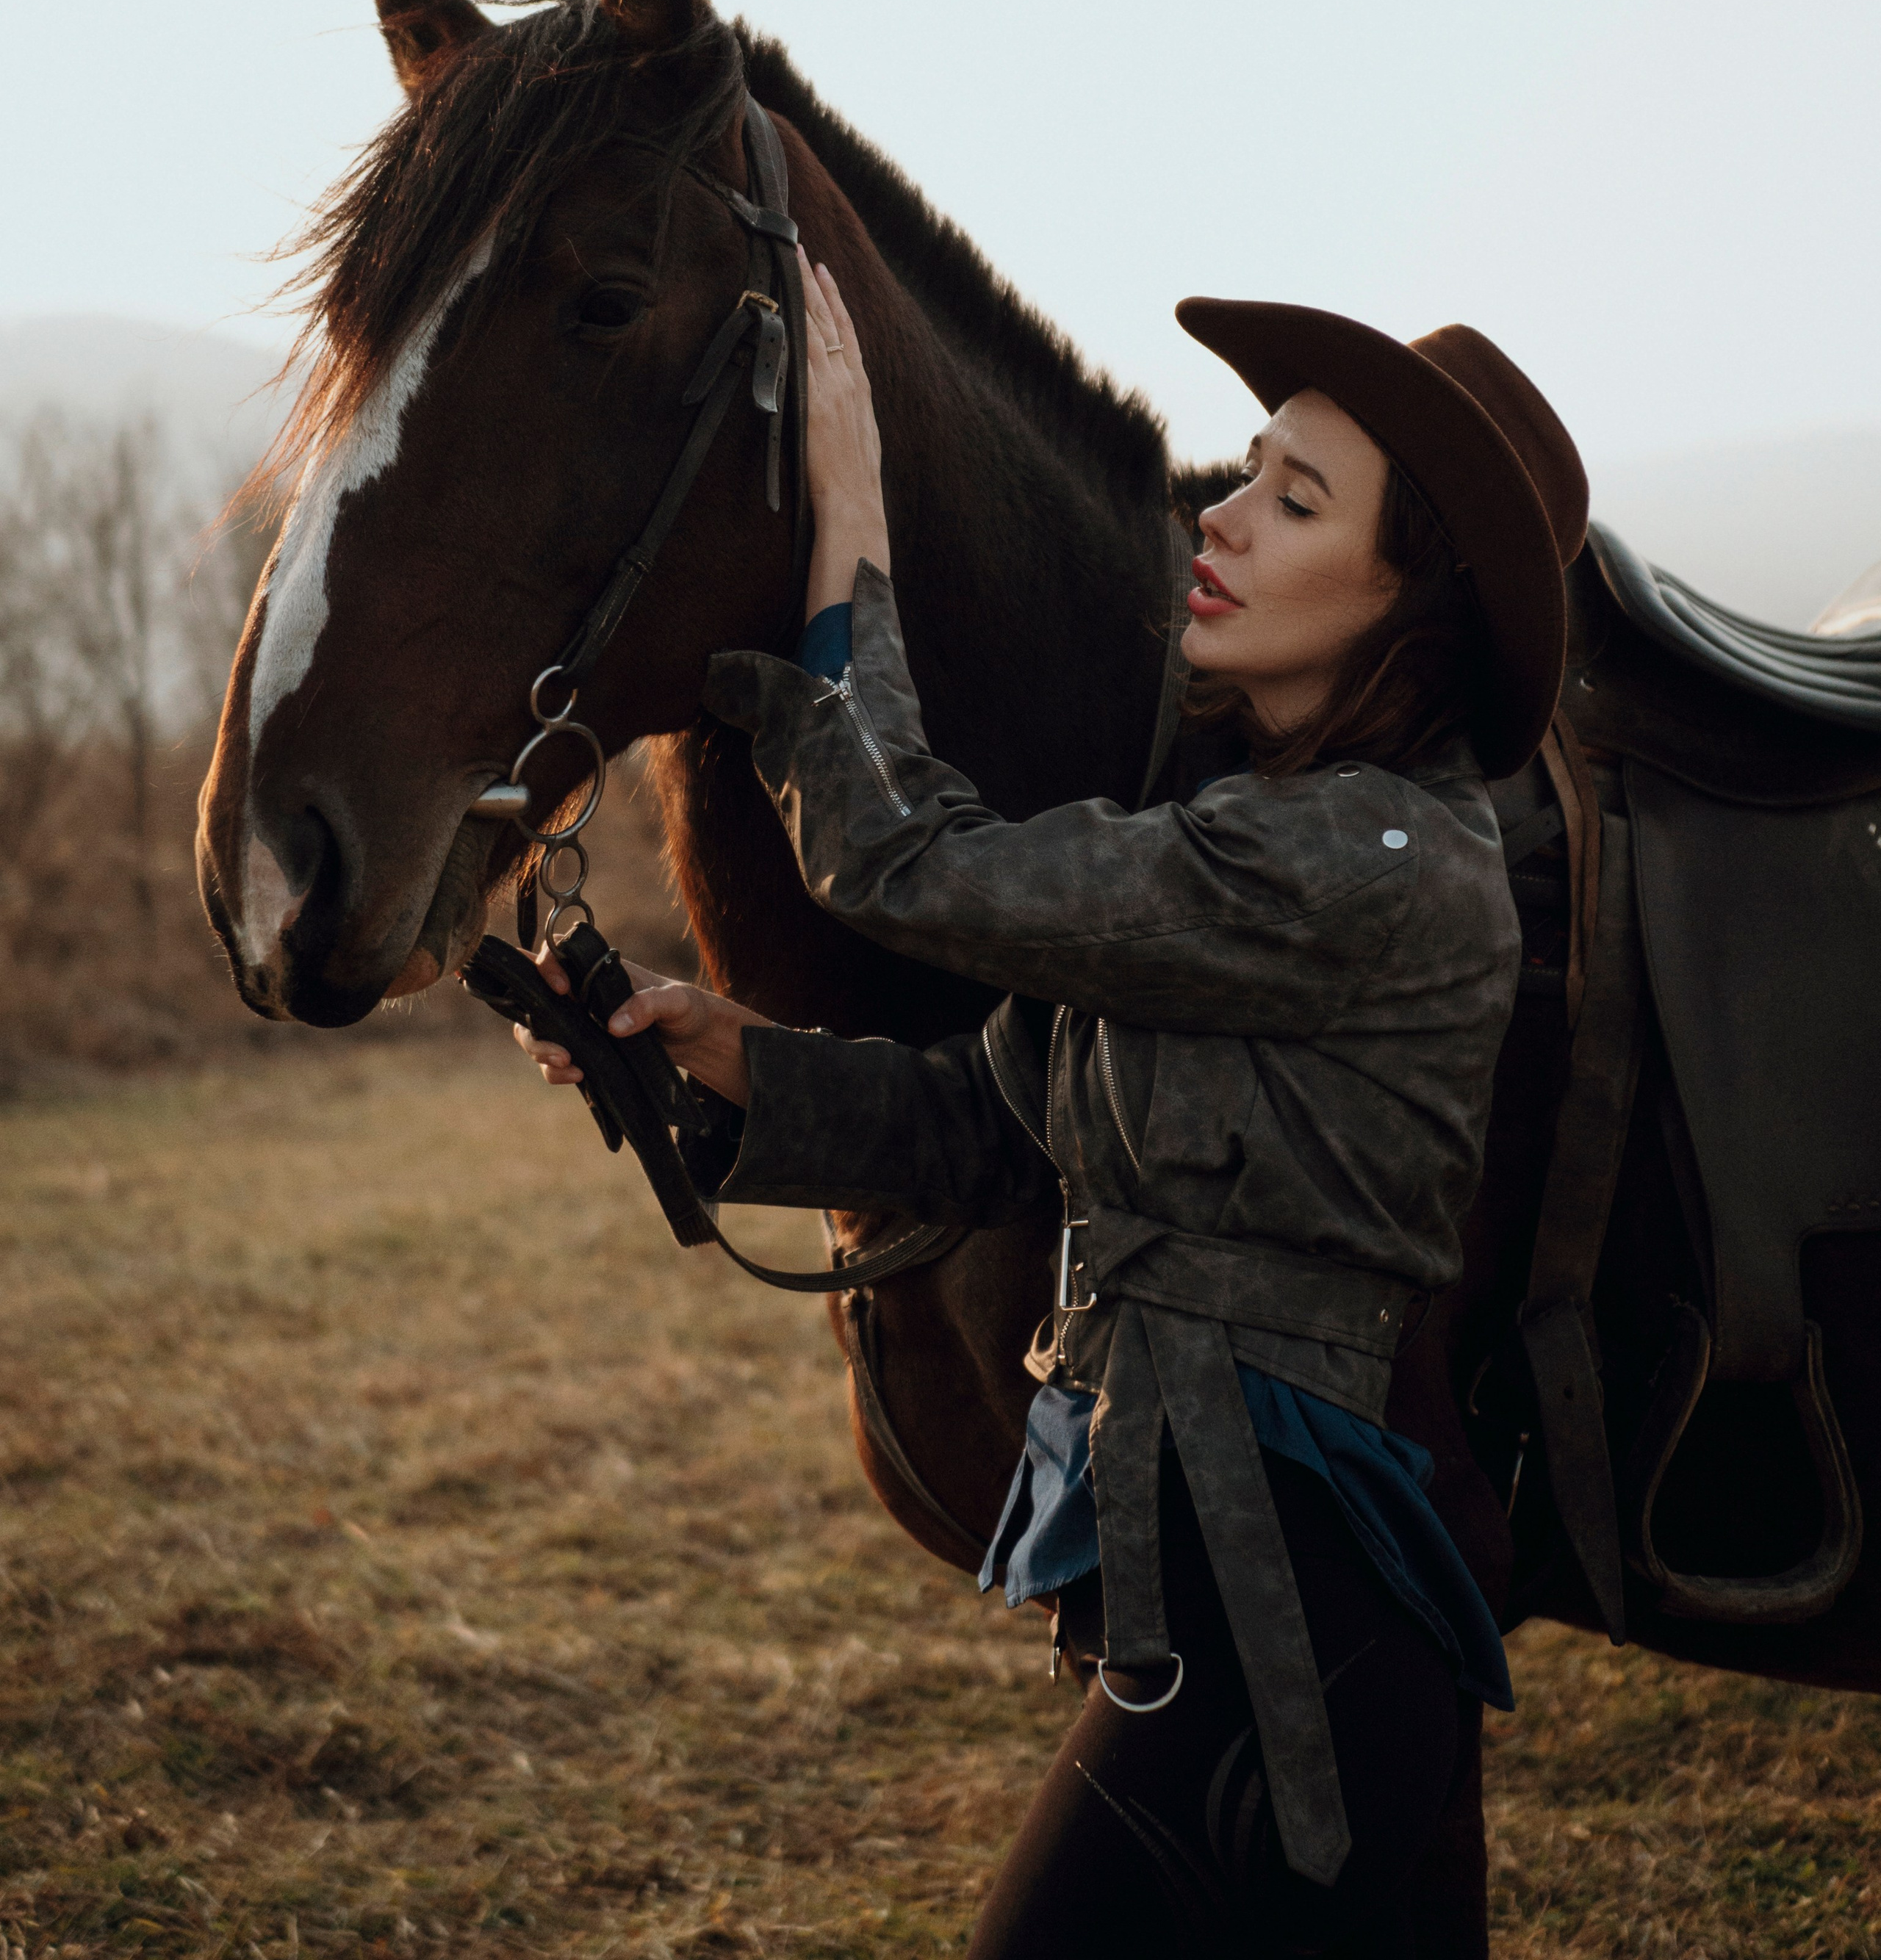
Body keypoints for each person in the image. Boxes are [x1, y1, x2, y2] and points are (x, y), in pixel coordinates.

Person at [516, 253, 1588, 1956]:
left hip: (1292, 1633)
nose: (1218, 520)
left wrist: (846, 527)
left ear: (1409, 599)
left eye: (1291, 500)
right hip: (1224, 1617)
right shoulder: (1238, 841)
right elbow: (995, 1132)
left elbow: (905, 862)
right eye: (1242, 472)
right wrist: (719, 1053)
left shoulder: (1369, 860)